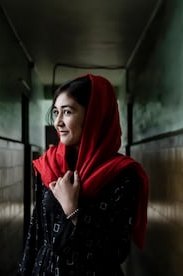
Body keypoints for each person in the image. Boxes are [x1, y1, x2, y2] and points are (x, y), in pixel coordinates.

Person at [18, 74, 149, 275]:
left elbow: (117, 252)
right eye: (56, 112)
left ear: (93, 116)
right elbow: (35, 235)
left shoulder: (122, 176)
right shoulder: (48, 165)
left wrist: (73, 210)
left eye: (67, 112)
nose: (58, 122)